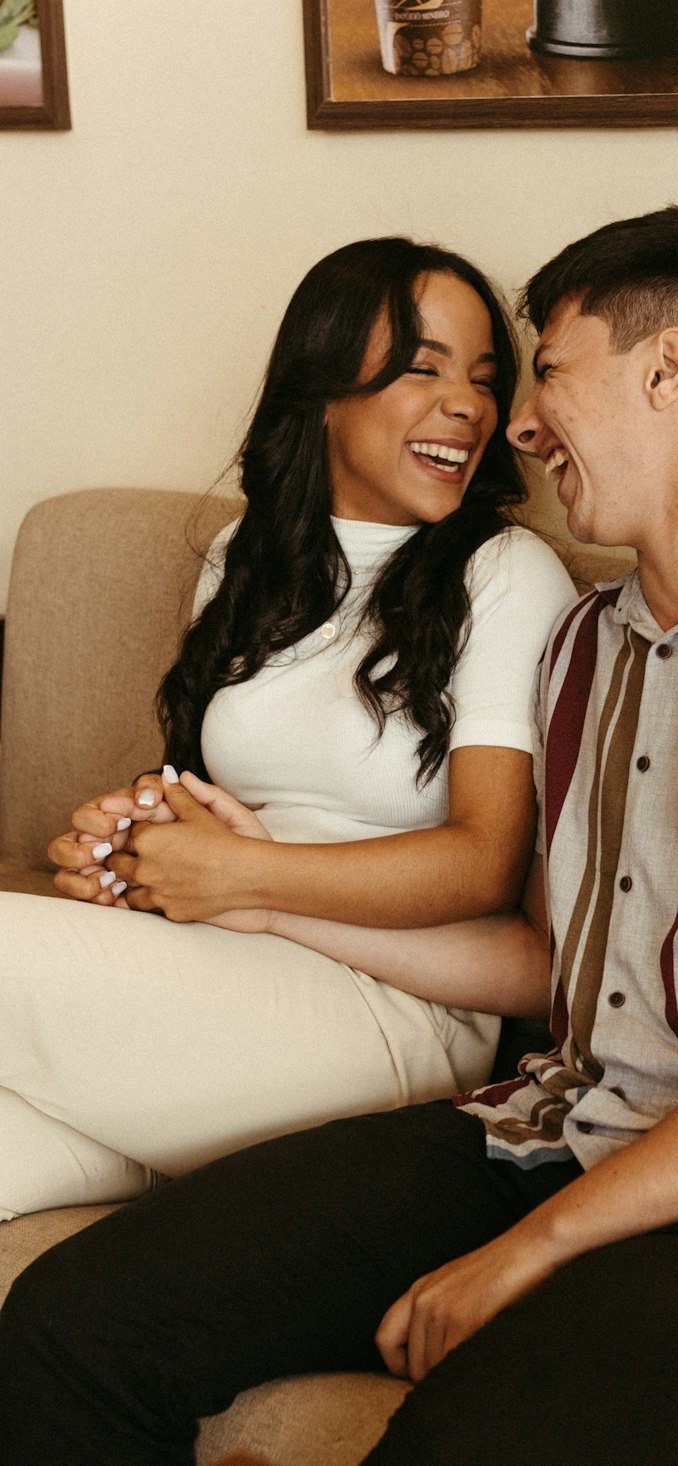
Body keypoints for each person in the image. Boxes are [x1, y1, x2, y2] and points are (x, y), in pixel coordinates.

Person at [0, 203, 678, 1466]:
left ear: (667, 369)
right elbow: (544, 958)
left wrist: (532, 1251)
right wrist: (266, 911)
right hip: (548, 1129)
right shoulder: (590, 648)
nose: (519, 426)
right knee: (73, 1326)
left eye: (548, 373)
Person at [0, 236, 577, 1220]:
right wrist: (133, 844)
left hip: (395, 1017)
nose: (470, 405)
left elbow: (485, 864)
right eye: (423, 367)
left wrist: (245, 878)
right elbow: (224, 804)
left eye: (483, 378)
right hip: (225, 982)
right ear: (323, 390)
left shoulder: (505, 575)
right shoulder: (245, 554)